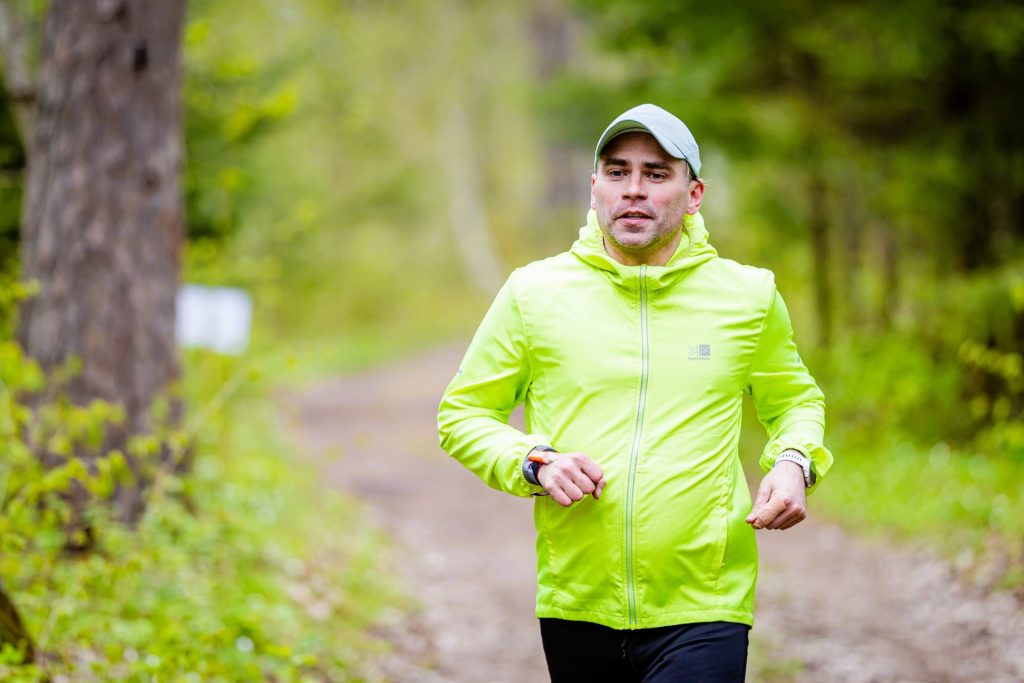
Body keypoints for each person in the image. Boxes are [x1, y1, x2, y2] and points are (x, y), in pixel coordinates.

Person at [437, 103, 832, 682]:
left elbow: (795, 401)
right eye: (618, 172)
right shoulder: (533, 294)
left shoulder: (748, 297)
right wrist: (534, 460)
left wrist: (795, 461)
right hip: (577, 602)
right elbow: (464, 413)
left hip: (705, 605)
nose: (634, 190)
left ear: (694, 194)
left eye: (656, 173)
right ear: (594, 187)